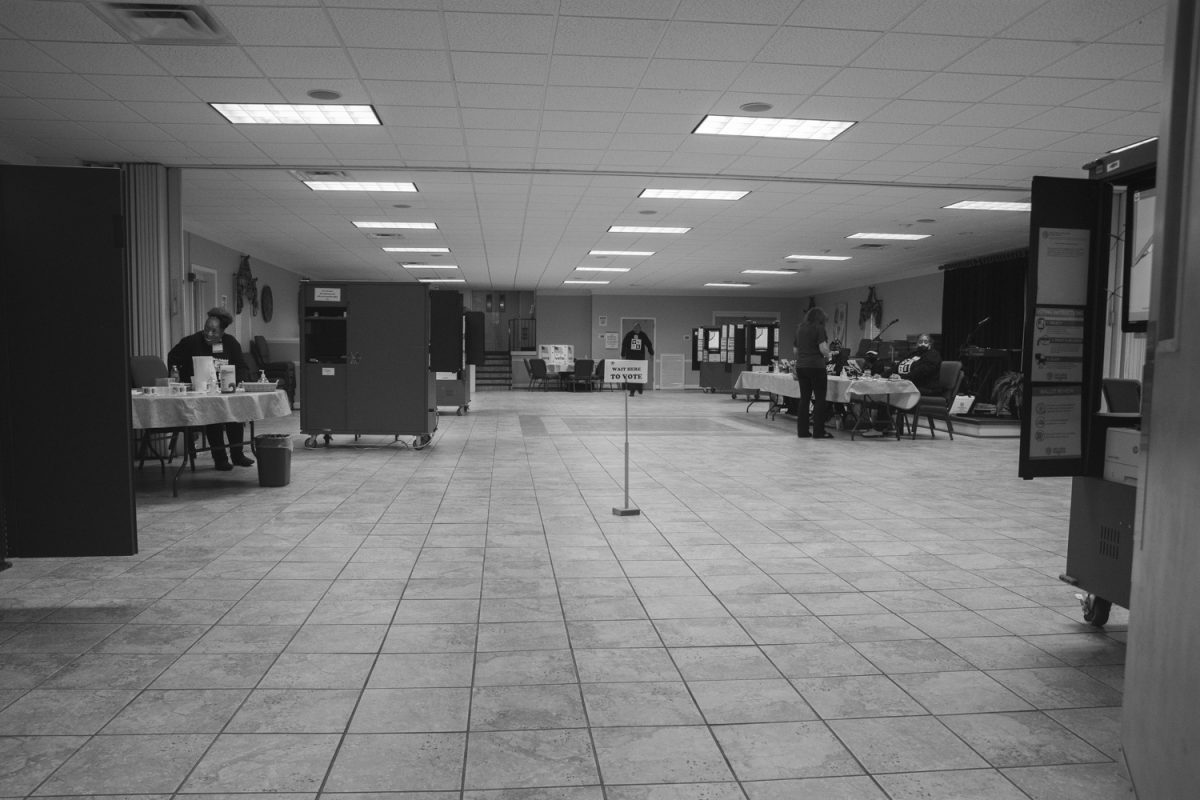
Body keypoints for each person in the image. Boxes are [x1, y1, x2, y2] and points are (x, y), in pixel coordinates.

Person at [167, 307, 254, 470]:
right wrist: (178, 375)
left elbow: (241, 366)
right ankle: (220, 458)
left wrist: (239, 381)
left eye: (214, 331)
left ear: (222, 332)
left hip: (225, 391)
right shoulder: (191, 342)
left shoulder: (231, 343)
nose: (209, 334)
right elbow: (173, 357)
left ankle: (237, 454)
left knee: (234, 412)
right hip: (199, 393)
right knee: (214, 415)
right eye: (206, 329)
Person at [793, 307, 833, 439]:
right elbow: (823, 348)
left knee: (804, 398)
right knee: (820, 399)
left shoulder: (800, 328)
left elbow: (795, 350)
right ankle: (818, 432)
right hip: (816, 366)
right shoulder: (819, 328)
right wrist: (829, 355)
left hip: (801, 366)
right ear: (820, 319)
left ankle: (802, 431)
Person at [620, 322, 654, 396]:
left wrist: (651, 353)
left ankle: (639, 388)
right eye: (635, 328)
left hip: (640, 358)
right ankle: (632, 391)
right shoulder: (629, 335)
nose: (637, 329)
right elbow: (624, 344)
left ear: (640, 328)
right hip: (631, 358)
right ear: (633, 328)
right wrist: (623, 354)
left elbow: (649, 344)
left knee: (640, 374)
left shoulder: (643, 335)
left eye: (638, 328)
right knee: (632, 374)